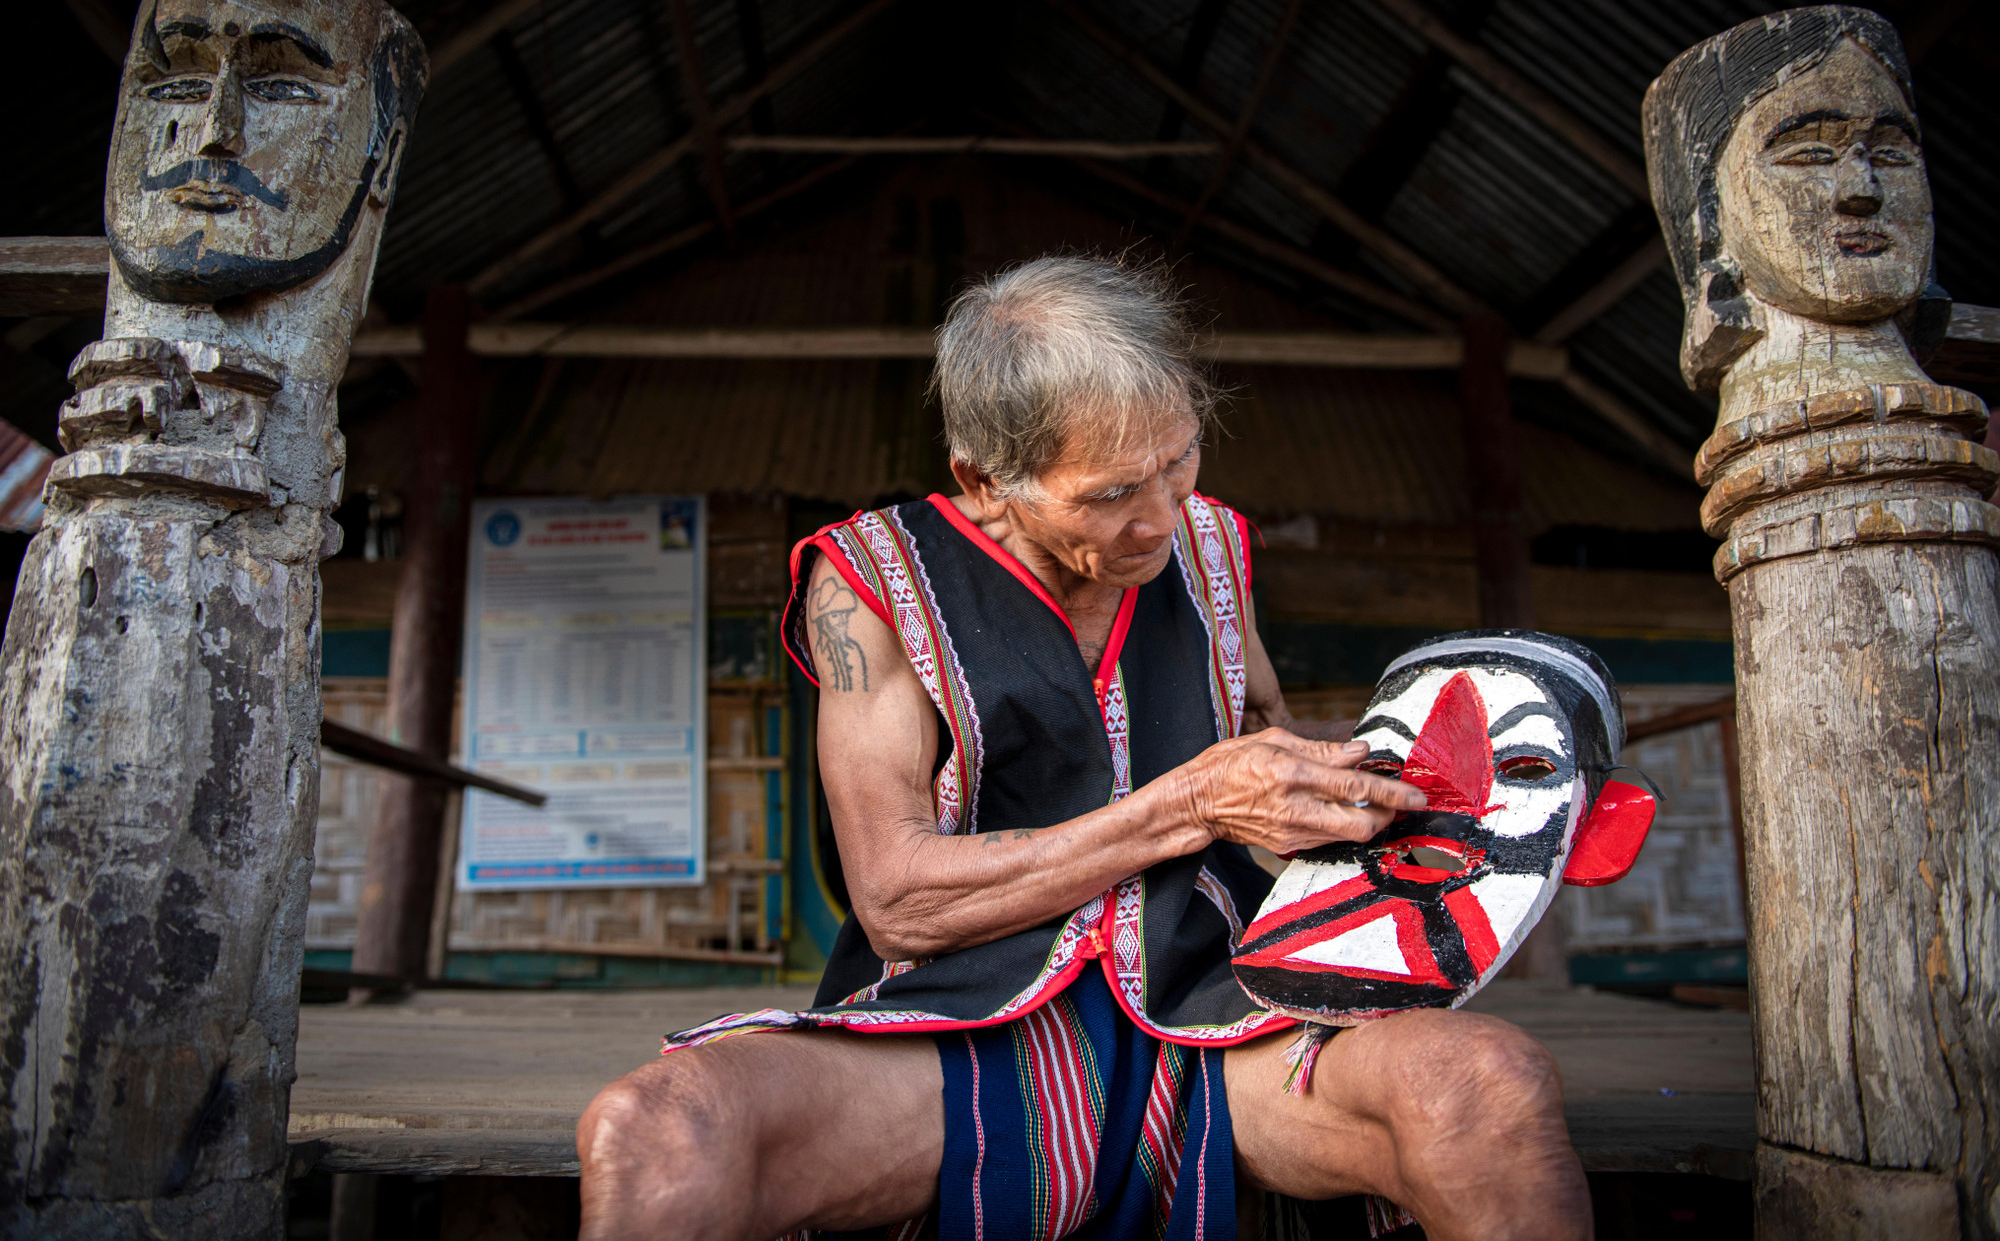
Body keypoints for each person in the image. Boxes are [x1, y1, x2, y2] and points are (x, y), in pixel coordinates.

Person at [578, 257, 1591, 1240]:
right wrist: (1186, 805)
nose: (1159, 517)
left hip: (1220, 1004)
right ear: (982, 481)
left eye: (1179, 458)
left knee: (1483, 1083)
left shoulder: (1211, 547)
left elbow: (1260, 751)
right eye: (1110, 493)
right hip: (953, 1030)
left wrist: (1454, 789)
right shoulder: (871, 581)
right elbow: (894, 897)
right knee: (658, 1130)